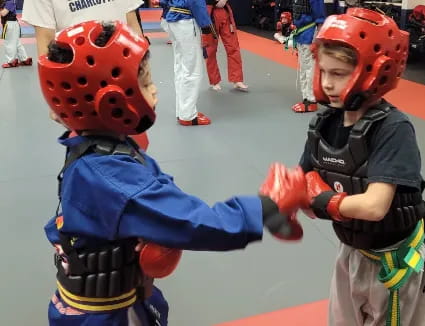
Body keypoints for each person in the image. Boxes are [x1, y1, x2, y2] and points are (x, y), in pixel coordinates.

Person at [38, 20, 307, 325]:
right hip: (105, 317)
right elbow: (190, 222)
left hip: (120, 298)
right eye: (146, 83)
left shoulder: (94, 144)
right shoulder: (108, 175)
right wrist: (265, 207)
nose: (154, 90)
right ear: (110, 101)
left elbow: (153, 188)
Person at [295, 9, 425, 325]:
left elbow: (374, 207)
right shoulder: (324, 124)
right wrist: (286, 195)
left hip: (395, 261)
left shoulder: (393, 128)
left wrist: (321, 201)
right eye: (324, 71)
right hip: (351, 251)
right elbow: (303, 182)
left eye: (340, 73)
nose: (328, 83)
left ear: (377, 71)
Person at [22, 0, 149, 148]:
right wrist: (55, 98)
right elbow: (45, 40)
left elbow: (132, 22)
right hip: (81, 85)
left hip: (125, 76)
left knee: (137, 146)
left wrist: (145, 76)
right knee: (95, 152)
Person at [159, 0, 213, 126]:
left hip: (172, 18)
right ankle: (188, 115)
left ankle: (183, 110)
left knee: (181, 67)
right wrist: (206, 28)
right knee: (192, 69)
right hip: (186, 21)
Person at [203, 0, 248, 92]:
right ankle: (214, 81)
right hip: (209, 12)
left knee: (233, 47)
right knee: (210, 50)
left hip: (224, 11)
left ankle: (237, 79)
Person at [290, 0, 325, 113]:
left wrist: (316, 40)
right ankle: (306, 97)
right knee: (304, 68)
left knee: (310, 68)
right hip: (300, 34)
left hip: (309, 34)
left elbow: (320, 19)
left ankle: (311, 101)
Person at [0, 0, 32, 68]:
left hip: (10, 25)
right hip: (12, 24)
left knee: (9, 43)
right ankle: (24, 59)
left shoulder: (9, 2)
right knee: (17, 43)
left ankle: (11, 61)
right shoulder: (8, 2)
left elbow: (3, 13)